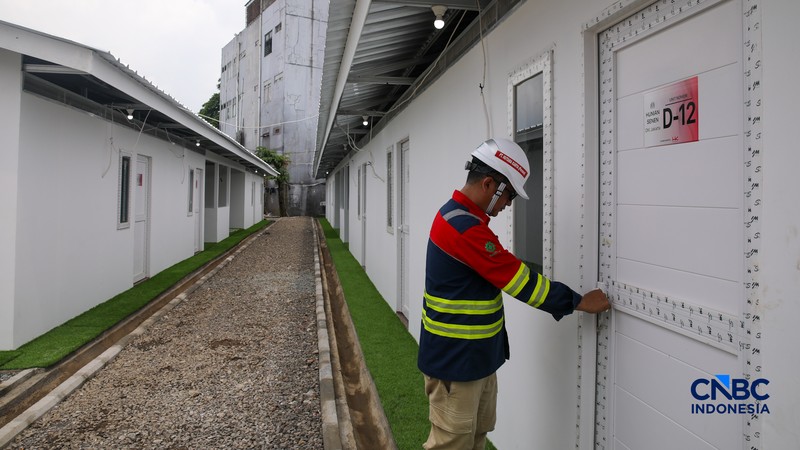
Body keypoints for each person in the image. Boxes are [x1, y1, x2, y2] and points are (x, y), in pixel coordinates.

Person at [417, 138, 611, 450]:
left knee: (476, 438)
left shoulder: (464, 219)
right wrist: (577, 301)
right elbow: (519, 280)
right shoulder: (464, 228)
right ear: (489, 184)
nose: (509, 204)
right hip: (455, 364)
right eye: (509, 195)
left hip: (473, 360)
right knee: (451, 444)